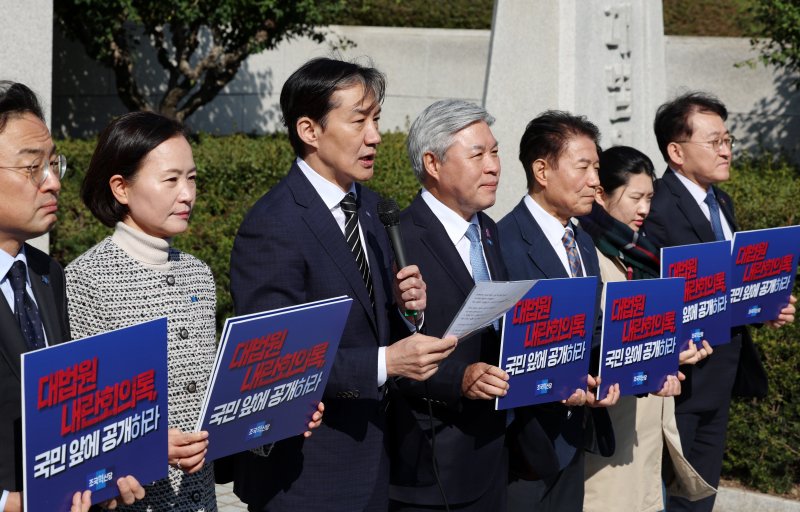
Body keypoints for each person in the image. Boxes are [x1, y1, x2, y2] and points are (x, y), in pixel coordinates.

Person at [229, 57, 457, 511]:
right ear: (310, 131)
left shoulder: (374, 209)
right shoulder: (272, 224)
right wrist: (385, 362)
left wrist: (409, 310)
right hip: (307, 473)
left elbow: (374, 322)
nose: (374, 136)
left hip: (378, 459)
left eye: (376, 120)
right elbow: (276, 362)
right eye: (358, 121)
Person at [65, 111, 323, 511]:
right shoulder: (87, 280)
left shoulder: (197, 275)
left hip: (201, 499)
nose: (187, 194)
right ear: (121, 188)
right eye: (170, 179)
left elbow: (214, 401)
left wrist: (280, 411)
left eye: (192, 178)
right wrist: (146, 447)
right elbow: (79, 425)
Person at [389, 99, 550, 510]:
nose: (494, 165)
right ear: (433, 163)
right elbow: (388, 352)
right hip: (431, 465)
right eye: (477, 154)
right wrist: (459, 377)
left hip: (494, 454)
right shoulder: (398, 239)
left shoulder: (489, 231)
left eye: (494, 151)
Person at [642, 92, 797, 512]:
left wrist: (765, 304)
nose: (726, 150)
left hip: (721, 375)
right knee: (668, 496)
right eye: (714, 142)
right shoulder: (655, 207)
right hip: (679, 381)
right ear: (676, 151)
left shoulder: (721, 202)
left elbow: (729, 286)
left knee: (701, 496)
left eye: (727, 140)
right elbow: (652, 294)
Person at [0, 81, 144, 512]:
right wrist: (10, 503)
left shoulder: (48, 275)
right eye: (32, 168)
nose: (53, 184)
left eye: (54, 164)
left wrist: (102, 476)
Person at [579, 145, 716, 512]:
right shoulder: (584, 253)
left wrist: (678, 350)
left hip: (649, 427)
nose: (644, 209)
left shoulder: (645, 255)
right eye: (635, 197)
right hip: (608, 427)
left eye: (650, 197)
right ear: (600, 194)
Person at [497, 110, 620, 512]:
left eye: (596, 168)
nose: (595, 181)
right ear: (542, 170)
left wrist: (612, 372)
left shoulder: (581, 240)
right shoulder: (502, 243)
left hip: (573, 438)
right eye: (583, 167)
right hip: (522, 449)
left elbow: (594, 327)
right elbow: (496, 345)